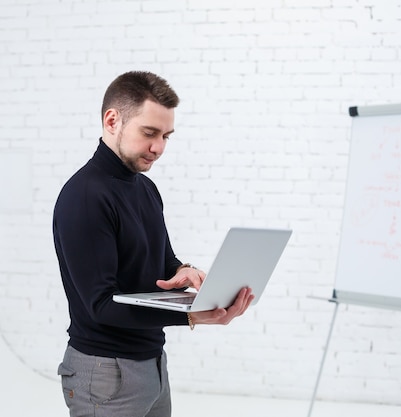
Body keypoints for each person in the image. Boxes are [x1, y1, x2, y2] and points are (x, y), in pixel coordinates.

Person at [52, 71, 254, 417]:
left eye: (166, 136)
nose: (159, 147)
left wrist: (182, 271)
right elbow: (101, 305)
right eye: (149, 133)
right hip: (105, 373)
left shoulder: (145, 189)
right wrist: (193, 316)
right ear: (112, 120)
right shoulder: (85, 197)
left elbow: (161, 262)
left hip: (152, 364)